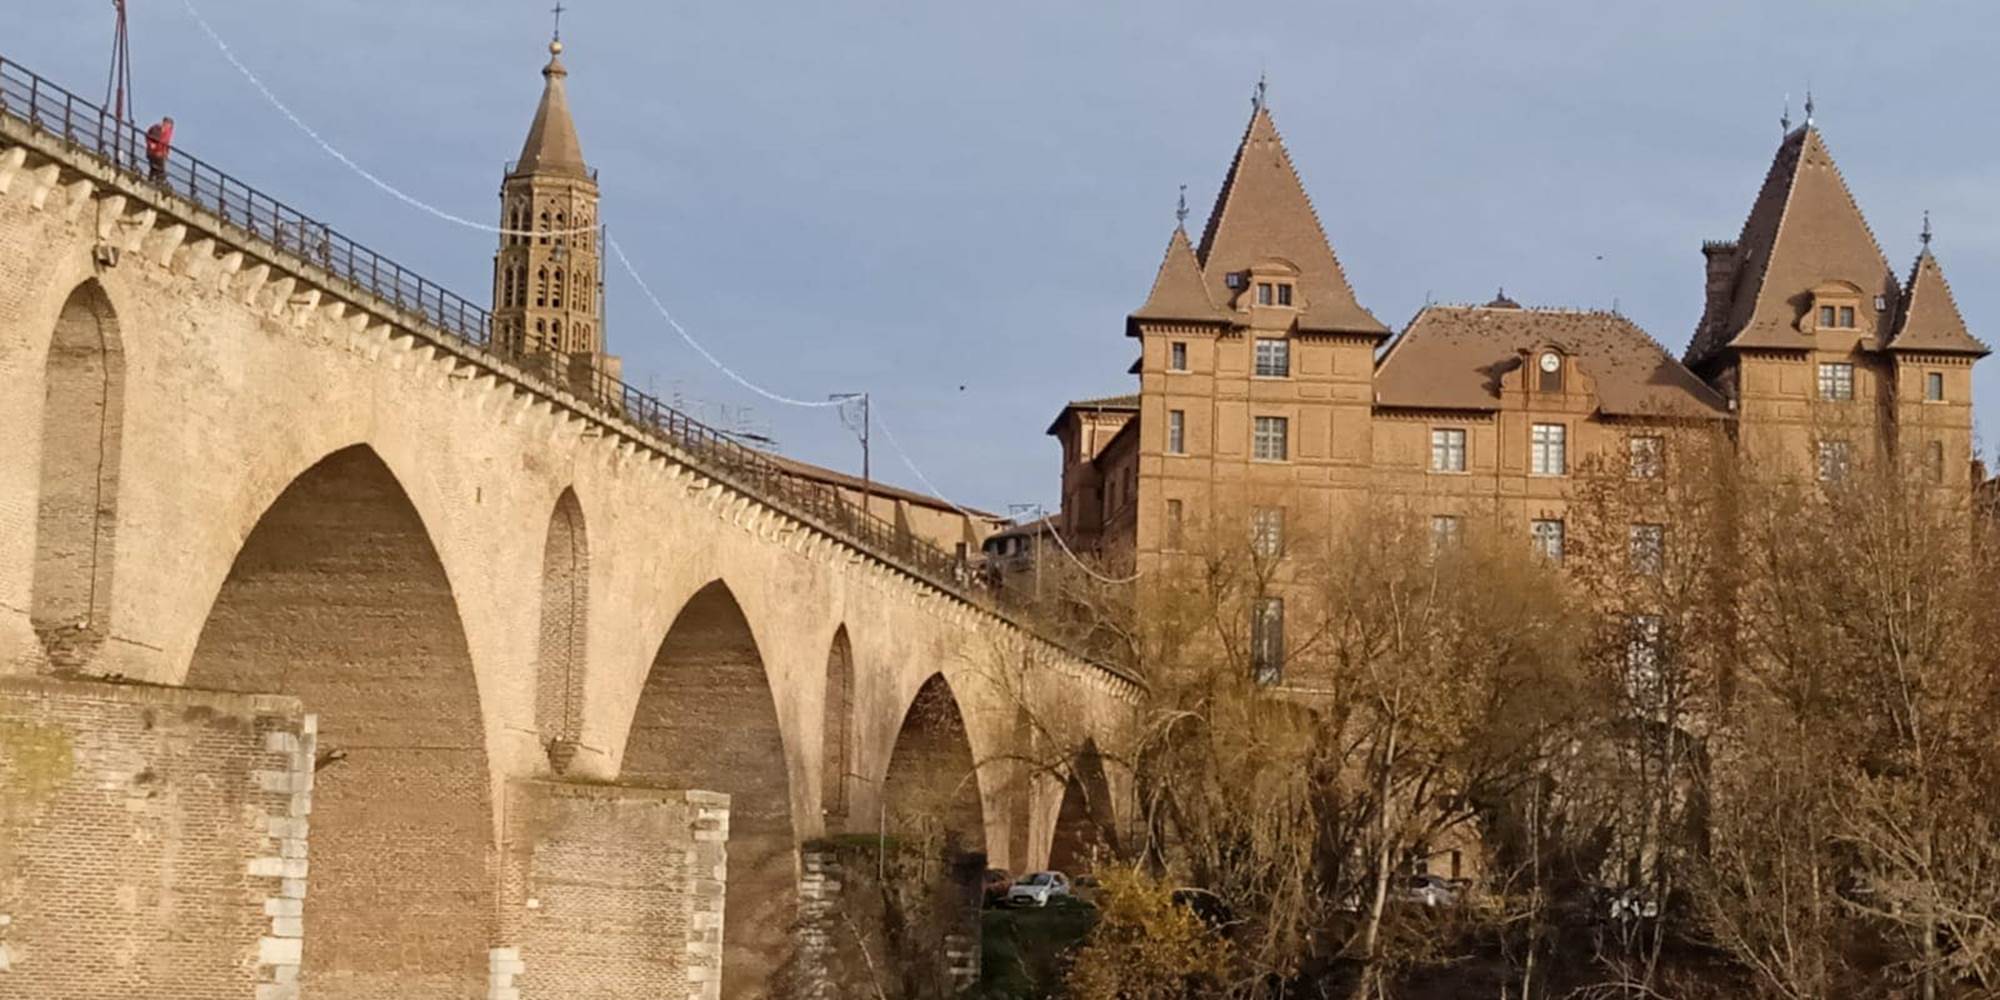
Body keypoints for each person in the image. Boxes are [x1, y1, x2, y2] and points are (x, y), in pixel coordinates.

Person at [144, 116, 174, 183]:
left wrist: (166, 153)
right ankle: (155, 181)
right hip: (154, 152)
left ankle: (154, 181)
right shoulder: (156, 128)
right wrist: (151, 144)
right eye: (167, 124)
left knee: (156, 169)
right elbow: (149, 136)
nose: (168, 126)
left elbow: (166, 144)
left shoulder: (167, 132)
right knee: (157, 168)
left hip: (160, 153)